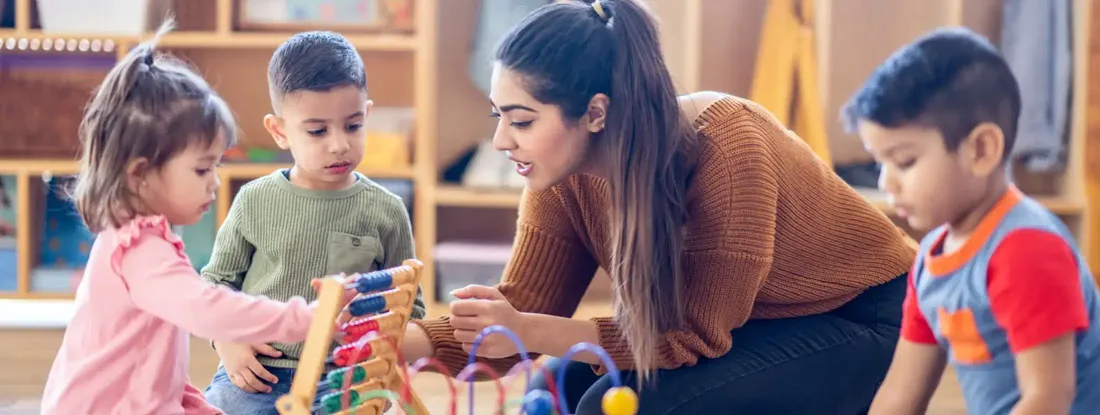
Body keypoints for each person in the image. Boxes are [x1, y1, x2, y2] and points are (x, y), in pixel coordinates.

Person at [398, 0, 917, 413]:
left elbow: (689, 336)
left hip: (872, 319)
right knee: (556, 388)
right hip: (751, 323)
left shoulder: (728, 151)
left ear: (595, 113)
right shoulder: (560, 176)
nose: (500, 141)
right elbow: (518, 316)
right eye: (498, 116)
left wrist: (527, 329)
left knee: (612, 406)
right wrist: (400, 341)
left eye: (521, 120)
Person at [40, 18, 332, 415]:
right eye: (201, 169)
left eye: (216, 167)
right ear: (140, 173)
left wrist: (191, 402)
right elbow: (208, 309)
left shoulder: (141, 240)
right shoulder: (140, 249)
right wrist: (305, 319)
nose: (214, 183)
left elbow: (151, 362)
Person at [854, 28, 1100, 415]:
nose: (887, 183)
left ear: (981, 150)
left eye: (904, 161)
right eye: (879, 163)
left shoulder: (1027, 250)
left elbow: (1048, 399)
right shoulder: (931, 260)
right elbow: (901, 394)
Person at [200, 30, 427, 413]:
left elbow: (410, 309)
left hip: (342, 379)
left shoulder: (386, 210)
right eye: (318, 131)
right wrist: (226, 341)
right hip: (257, 372)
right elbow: (215, 283)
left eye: (353, 126)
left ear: (367, 115)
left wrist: (374, 359)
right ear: (280, 131)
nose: (338, 144)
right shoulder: (255, 199)